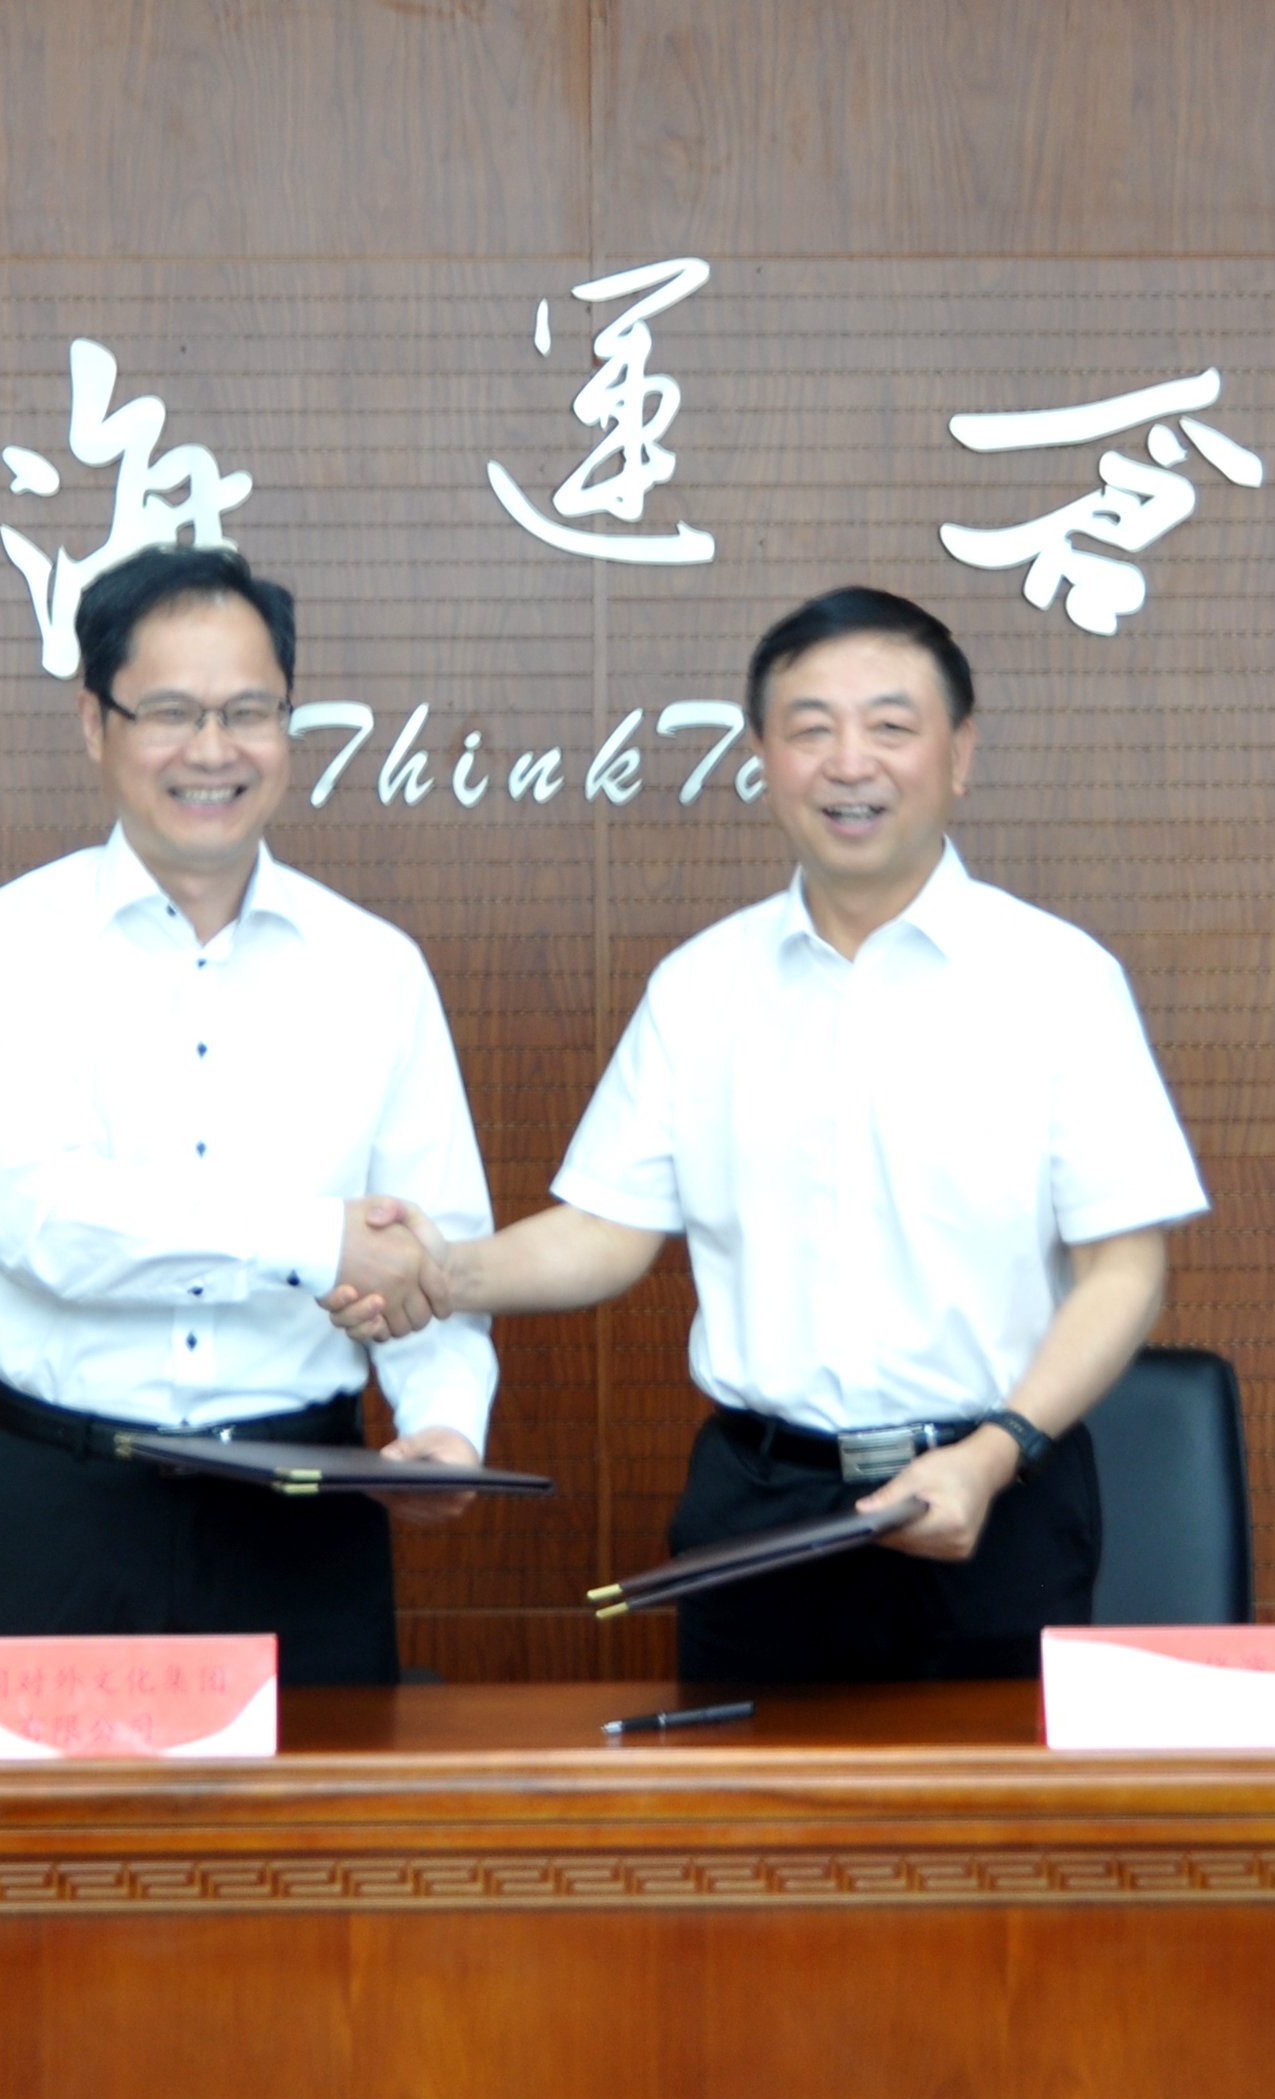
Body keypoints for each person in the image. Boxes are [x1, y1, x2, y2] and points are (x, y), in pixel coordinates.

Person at [337, 587, 1205, 1682]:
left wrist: (996, 1454)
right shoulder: (702, 986)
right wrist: (438, 1274)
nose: (850, 763)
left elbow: (1126, 1268)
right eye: (811, 730)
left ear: (960, 754)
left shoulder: (1060, 981)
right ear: (762, 758)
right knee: (743, 1794)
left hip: (998, 1498)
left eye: (891, 726)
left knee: (988, 1798)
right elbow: (606, 1232)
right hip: (761, 1506)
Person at [0, 545, 494, 1685]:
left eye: (249, 712)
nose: (214, 749)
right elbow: (43, 1221)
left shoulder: (373, 968)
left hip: (304, 1514)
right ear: (96, 723)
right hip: (60, 1510)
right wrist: (309, 1239)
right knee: (34, 1815)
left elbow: (434, 1249)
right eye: (173, 713)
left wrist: (445, 1420)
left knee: (321, 1810)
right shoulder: (4, 947)